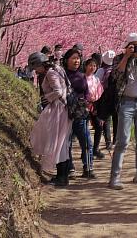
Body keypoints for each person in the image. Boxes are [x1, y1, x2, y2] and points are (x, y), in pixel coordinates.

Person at [108, 32, 137, 189]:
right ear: (127, 46)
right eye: (133, 44)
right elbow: (116, 74)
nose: (136, 47)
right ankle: (115, 177)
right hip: (126, 103)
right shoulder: (119, 59)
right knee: (123, 141)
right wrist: (127, 57)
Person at [29, 52, 72, 187]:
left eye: (35, 68)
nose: (36, 71)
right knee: (62, 144)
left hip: (58, 110)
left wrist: (46, 98)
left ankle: (61, 177)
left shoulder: (50, 73)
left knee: (57, 143)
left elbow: (58, 91)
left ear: (40, 64)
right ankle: (62, 176)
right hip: (64, 109)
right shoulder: (58, 68)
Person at [63, 48, 95, 178]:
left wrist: (88, 102)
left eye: (78, 58)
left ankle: (88, 167)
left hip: (81, 112)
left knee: (86, 141)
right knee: (67, 142)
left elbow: (86, 91)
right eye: (73, 58)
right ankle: (70, 168)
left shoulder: (82, 75)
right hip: (66, 112)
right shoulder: (63, 75)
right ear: (66, 60)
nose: (76, 61)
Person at [84, 56, 105, 159]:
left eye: (94, 66)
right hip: (83, 105)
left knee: (99, 126)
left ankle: (95, 149)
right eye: (90, 65)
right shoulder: (82, 78)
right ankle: (86, 151)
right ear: (86, 66)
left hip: (94, 105)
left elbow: (100, 93)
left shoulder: (96, 79)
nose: (92, 68)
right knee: (83, 128)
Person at [95, 50, 117, 150]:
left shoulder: (101, 70)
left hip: (104, 97)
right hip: (116, 97)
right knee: (116, 119)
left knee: (106, 120)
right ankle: (115, 141)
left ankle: (108, 141)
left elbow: (96, 83)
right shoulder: (117, 69)